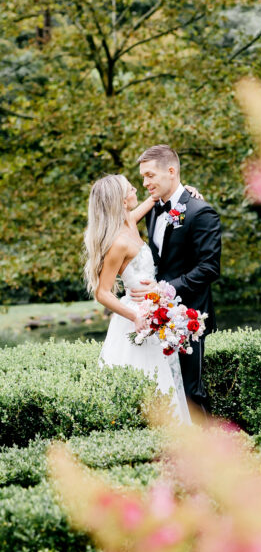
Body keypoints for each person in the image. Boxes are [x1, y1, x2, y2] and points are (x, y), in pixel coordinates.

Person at [84, 174, 191, 423]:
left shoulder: (130, 221)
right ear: (122, 200)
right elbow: (102, 292)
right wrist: (135, 315)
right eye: (130, 188)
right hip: (137, 316)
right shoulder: (118, 243)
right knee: (149, 384)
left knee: (166, 380)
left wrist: (187, 192)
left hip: (154, 310)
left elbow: (155, 197)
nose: (136, 189)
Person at [131, 145, 222, 415]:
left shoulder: (200, 212)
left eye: (150, 175)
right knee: (163, 394)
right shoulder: (151, 211)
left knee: (191, 391)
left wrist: (165, 289)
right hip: (155, 316)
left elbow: (209, 268)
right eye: (143, 177)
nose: (145, 183)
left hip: (188, 315)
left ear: (171, 171)